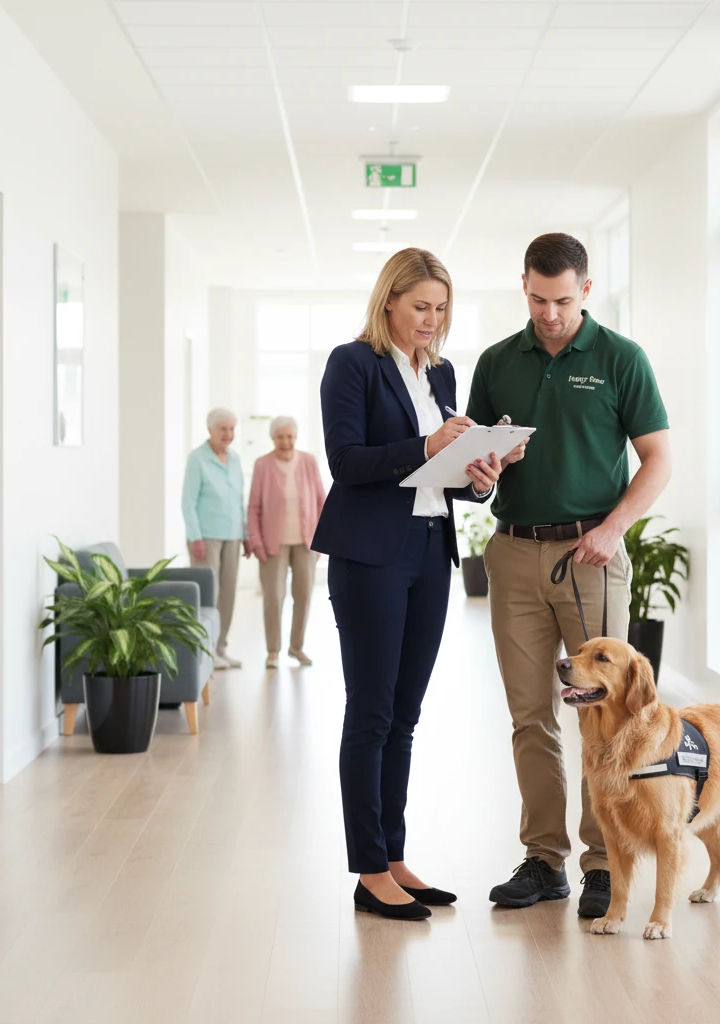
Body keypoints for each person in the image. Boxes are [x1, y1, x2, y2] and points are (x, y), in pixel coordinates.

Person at [466, 232, 672, 918]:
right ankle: (543, 859)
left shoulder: (621, 359)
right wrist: (483, 472)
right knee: (530, 716)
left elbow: (657, 461)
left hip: (591, 556)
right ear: (522, 286)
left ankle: (604, 863)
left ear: (586, 290)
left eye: (560, 300)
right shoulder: (497, 362)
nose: (548, 313)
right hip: (515, 553)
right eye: (536, 298)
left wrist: (613, 529)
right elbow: (476, 476)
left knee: (604, 718)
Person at [313, 248, 505, 921]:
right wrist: (426, 448)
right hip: (369, 555)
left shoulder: (442, 372)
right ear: (389, 300)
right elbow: (347, 461)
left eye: (441, 308)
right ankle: (368, 871)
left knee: (406, 715)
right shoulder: (353, 362)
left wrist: (476, 474)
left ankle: (393, 857)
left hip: (429, 550)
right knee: (370, 712)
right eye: (421, 306)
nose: (432, 319)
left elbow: (441, 472)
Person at [248, 415, 326, 670]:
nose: (286, 441)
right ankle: (273, 650)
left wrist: (322, 540)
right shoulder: (262, 465)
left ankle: (296, 647)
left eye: (290, 436)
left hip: (306, 541)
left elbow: (321, 501)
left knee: (303, 595)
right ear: (273, 438)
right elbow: (253, 507)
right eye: (280, 436)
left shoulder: (308, 462)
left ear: (296, 437)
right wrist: (256, 542)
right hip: (272, 543)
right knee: (274, 596)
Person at [182, 408, 250, 670]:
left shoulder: (234, 459)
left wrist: (244, 534)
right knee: (209, 594)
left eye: (232, 429)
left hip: (232, 535)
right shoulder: (197, 459)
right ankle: (205, 651)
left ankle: (220, 647)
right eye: (223, 429)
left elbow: (238, 500)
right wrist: (194, 536)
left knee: (228, 595)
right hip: (206, 537)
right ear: (210, 430)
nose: (228, 434)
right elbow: (188, 501)